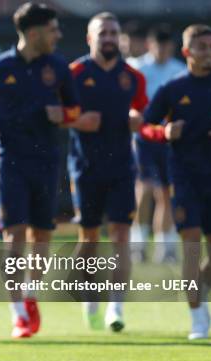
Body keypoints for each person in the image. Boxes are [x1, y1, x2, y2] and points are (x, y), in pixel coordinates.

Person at [0, 2, 80, 339]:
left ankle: (30, 293)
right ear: (34, 33)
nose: (58, 35)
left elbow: (75, 109)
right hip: (10, 163)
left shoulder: (58, 67)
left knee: (42, 237)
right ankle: (17, 310)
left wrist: (61, 115)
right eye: (52, 29)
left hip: (47, 163)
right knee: (13, 236)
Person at [141, 24, 211, 340]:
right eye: (202, 47)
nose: (210, 53)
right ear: (187, 52)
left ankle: (196, 293)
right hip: (184, 178)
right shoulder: (173, 89)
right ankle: (196, 316)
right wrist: (164, 132)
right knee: (189, 245)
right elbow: (146, 126)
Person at [68, 12, 148, 332]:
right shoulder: (73, 73)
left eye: (114, 32)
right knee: (88, 238)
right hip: (84, 166)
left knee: (121, 236)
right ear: (90, 38)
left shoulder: (133, 76)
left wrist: (137, 117)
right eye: (103, 33)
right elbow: (58, 114)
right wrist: (76, 120)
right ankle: (90, 299)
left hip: (122, 167)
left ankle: (116, 306)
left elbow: (143, 110)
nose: (110, 38)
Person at [130, 24, 185, 263]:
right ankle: (138, 244)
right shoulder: (136, 68)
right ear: (149, 45)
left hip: (170, 140)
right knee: (144, 190)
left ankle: (166, 247)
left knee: (166, 192)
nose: (163, 50)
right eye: (158, 45)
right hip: (143, 139)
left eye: (167, 46)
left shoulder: (180, 70)